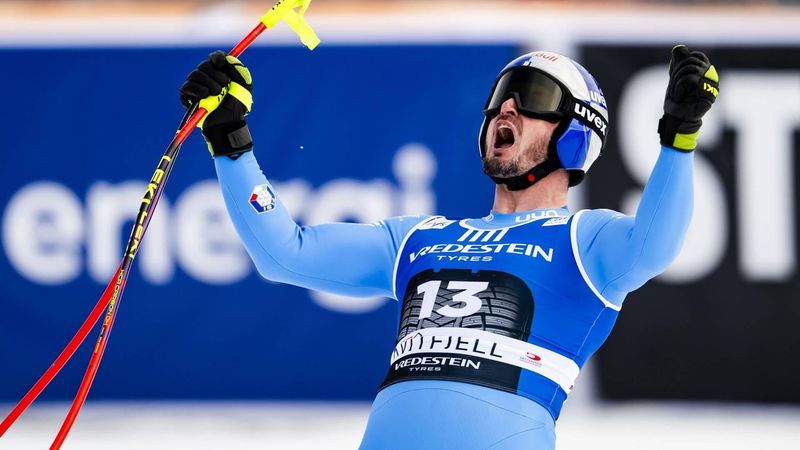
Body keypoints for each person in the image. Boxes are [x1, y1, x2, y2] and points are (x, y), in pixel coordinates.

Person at [179, 46, 718, 450]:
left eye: (533, 98)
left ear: (575, 135)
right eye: (501, 96)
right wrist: (230, 139)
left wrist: (680, 137)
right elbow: (285, 255)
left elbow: (655, 244)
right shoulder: (421, 237)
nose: (506, 106)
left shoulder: (584, 240)